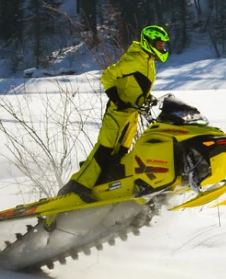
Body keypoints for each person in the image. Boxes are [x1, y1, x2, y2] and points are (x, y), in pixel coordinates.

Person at [59, 25, 170, 203]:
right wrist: (117, 99)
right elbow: (107, 76)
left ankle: (104, 184)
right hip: (118, 112)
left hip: (132, 115)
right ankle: (78, 186)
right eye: (159, 44)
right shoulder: (134, 59)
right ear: (148, 42)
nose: (162, 48)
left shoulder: (148, 61)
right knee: (104, 149)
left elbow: (135, 84)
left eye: (163, 45)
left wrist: (147, 99)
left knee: (121, 153)